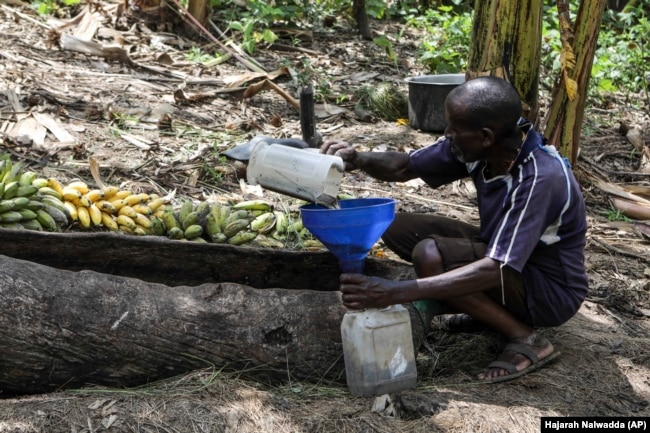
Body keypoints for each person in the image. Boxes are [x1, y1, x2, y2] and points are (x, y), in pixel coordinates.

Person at [320, 76, 588, 383]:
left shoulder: (540, 177)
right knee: (394, 225)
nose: (447, 135)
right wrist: (357, 158)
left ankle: (527, 338)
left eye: (453, 128)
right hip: (509, 260)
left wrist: (393, 293)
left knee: (431, 255)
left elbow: (496, 268)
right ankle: (488, 312)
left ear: (485, 136)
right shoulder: (484, 147)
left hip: (550, 290)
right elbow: (404, 167)